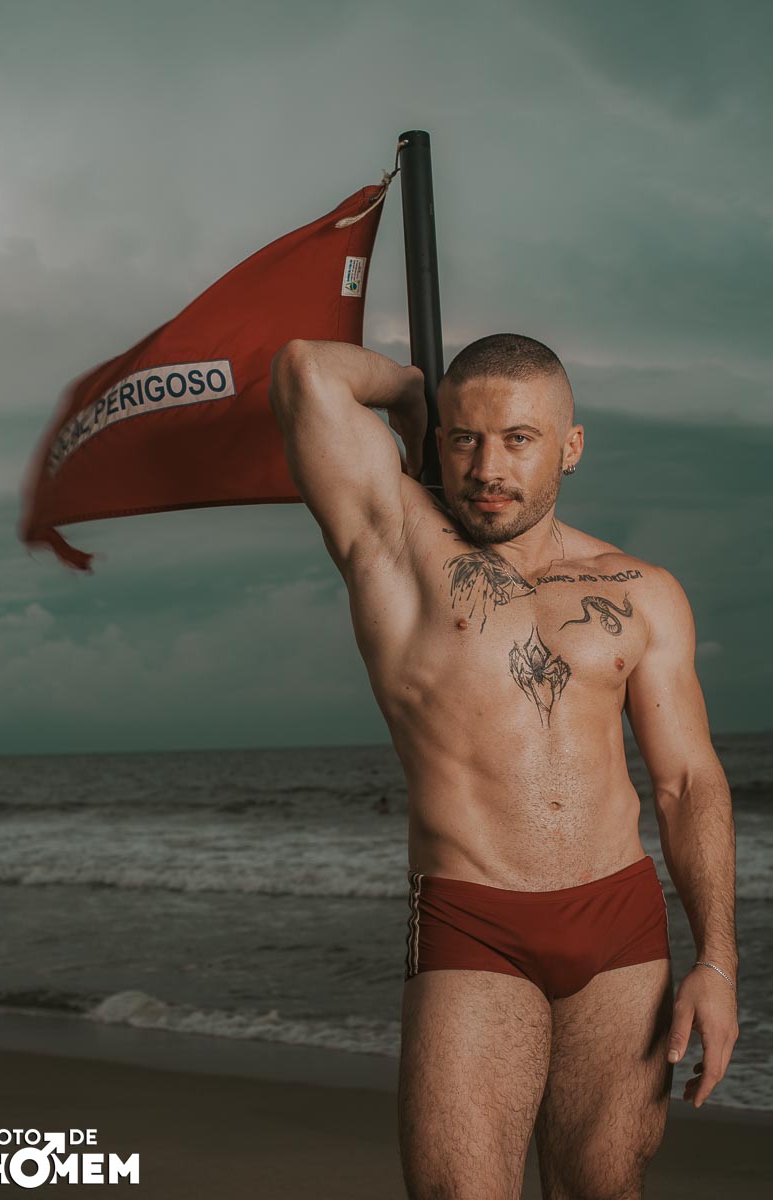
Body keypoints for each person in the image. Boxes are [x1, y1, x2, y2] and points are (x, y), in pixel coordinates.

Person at [268, 333, 739, 1200]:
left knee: (604, 1188)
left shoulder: (639, 590)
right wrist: (412, 393)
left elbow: (685, 783)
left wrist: (715, 963)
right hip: (473, 924)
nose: (486, 468)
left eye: (518, 439)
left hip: (622, 927)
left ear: (569, 446)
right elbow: (306, 368)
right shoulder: (393, 542)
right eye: (464, 440)